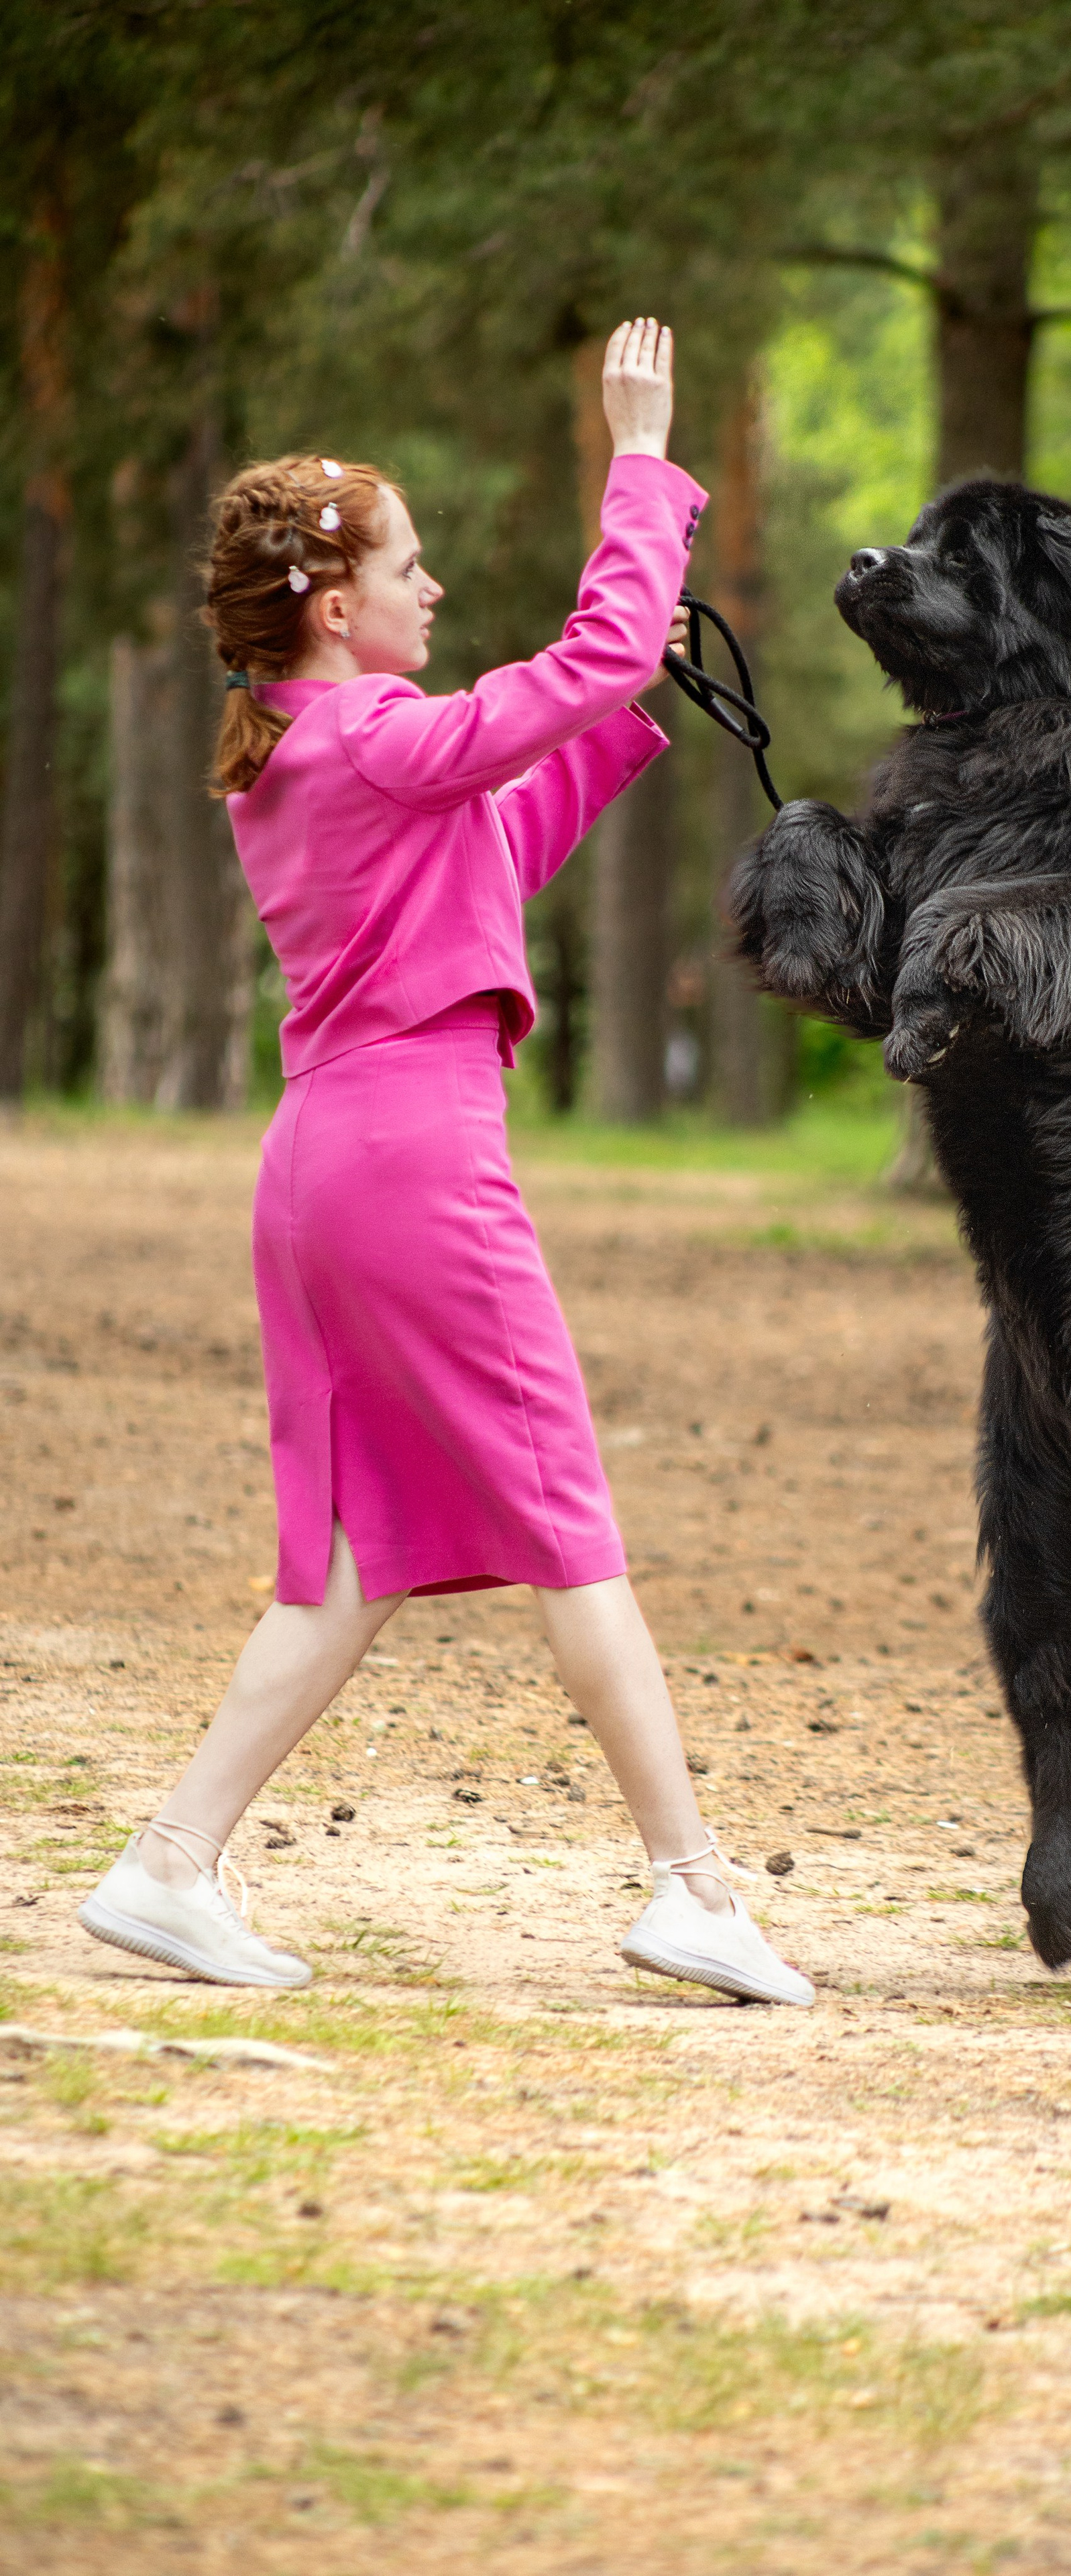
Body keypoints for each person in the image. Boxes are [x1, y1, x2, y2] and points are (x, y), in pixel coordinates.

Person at [77, 317, 813, 2010]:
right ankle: (693, 1890)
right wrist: (642, 467)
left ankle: (168, 1866)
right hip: (412, 1164)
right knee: (568, 1520)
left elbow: (496, 845)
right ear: (336, 607)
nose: (432, 588)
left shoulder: (314, 755)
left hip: (330, 1166)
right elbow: (586, 659)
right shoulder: (369, 733)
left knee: (357, 1551)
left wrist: (622, 721)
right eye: (407, 568)